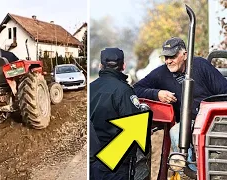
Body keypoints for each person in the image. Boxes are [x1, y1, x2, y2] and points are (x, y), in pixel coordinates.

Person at [133, 37, 227, 173]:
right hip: (188, 123)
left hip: (213, 121)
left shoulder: (201, 66)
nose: (168, 61)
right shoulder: (161, 73)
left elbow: (224, 91)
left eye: (172, 56)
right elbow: (136, 89)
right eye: (166, 57)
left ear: (185, 55)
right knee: (176, 132)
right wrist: (157, 93)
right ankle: (190, 171)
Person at [90, 48, 147, 180]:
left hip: (92, 160)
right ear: (123, 66)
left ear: (100, 65)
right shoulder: (124, 91)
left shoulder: (91, 88)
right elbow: (135, 130)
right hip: (114, 165)